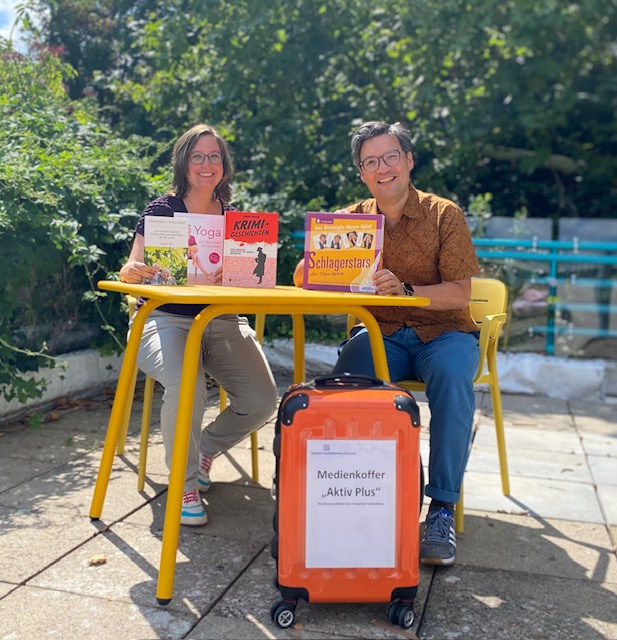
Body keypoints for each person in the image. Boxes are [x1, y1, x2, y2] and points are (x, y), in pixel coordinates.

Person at [293, 121, 480, 566]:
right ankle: (370, 497)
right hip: (382, 334)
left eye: (391, 156)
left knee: (453, 379)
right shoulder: (351, 220)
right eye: (371, 161)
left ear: (409, 160)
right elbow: (303, 277)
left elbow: (461, 293)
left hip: (445, 332)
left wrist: (407, 291)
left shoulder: (444, 214)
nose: (383, 168)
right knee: (347, 383)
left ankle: (441, 507)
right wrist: (318, 262)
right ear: (361, 172)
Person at [119, 123, 278, 526]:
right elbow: (132, 266)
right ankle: (184, 483)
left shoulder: (237, 220)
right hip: (164, 320)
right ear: (184, 163)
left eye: (214, 157)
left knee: (262, 399)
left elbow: (255, 280)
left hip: (222, 320)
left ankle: (203, 449)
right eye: (198, 156)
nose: (207, 164)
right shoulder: (162, 211)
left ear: (224, 165)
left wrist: (241, 276)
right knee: (187, 384)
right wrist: (131, 271)